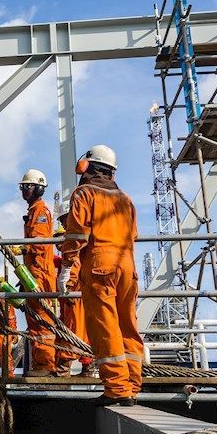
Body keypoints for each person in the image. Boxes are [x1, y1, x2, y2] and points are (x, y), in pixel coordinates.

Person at [59, 145, 143, 406]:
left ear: (87, 167)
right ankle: (132, 385)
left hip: (100, 264)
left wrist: (67, 267)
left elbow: (76, 236)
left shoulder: (84, 193)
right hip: (127, 266)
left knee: (105, 328)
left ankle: (117, 389)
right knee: (127, 325)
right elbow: (134, 235)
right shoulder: (126, 199)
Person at [18, 169, 57, 377]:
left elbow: (39, 245)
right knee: (34, 320)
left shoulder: (40, 211)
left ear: (39, 188)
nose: (25, 190)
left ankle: (45, 365)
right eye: (23, 187)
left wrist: (22, 248)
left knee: (41, 320)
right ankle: (40, 364)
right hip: (34, 273)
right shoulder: (34, 210)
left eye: (28, 186)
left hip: (40, 273)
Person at [53, 204, 94, 378]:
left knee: (71, 331)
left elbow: (74, 266)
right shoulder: (79, 240)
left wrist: (68, 286)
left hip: (73, 294)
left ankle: (63, 368)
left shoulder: (72, 244)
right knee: (83, 330)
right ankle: (88, 368)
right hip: (80, 293)